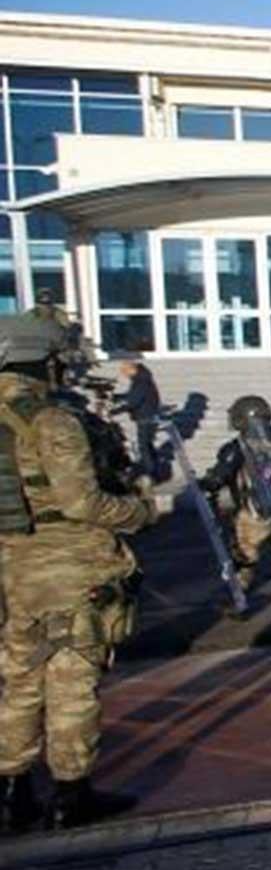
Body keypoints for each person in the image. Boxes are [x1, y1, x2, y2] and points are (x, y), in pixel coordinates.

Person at [0, 315, 156, 830]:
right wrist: (138, 512)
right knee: (70, 677)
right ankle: (71, 793)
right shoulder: (50, 420)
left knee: (19, 678)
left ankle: (11, 792)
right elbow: (80, 501)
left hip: (11, 567)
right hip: (65, 566)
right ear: (43, 361)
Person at [198, 395, 271, 612]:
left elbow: (218, 477)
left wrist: (206, 482)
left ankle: (237, 600)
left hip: (253, 513)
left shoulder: (237, 448)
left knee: (244, 557)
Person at [108, 354, 162, 481]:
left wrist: (116, 411)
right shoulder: (142, 379)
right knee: (148, 445)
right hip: (146, 416)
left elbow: (134, 401)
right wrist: (118, 397)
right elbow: (133, 395)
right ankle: (154, 471)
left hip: (145, 417)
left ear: (131, 369)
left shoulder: (141, 381)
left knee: (144, 446)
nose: (125, 375)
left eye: (125, 372)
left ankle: (151, 473)